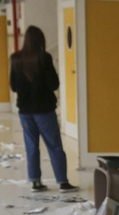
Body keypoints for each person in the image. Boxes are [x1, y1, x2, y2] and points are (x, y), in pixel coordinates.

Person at [9, 25, 76, 193]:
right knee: (54, 146)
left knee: (31, 146)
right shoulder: (44, 58)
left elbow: (14, 87)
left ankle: (35, 182)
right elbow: (54, 84)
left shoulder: (16, 58)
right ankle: (62, 182)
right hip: (44, 109)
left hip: (25, 110)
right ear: (41, 40)